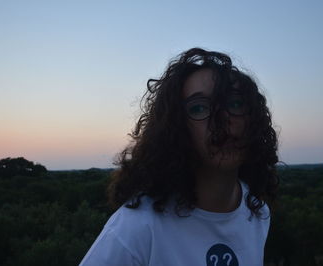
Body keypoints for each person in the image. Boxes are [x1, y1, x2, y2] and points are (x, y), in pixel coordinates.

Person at [80, 48, 278, 266]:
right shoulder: (137, 228)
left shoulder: (257, 213)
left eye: (235, 104)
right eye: (199, 108)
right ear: (176, 128)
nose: (223, 119)